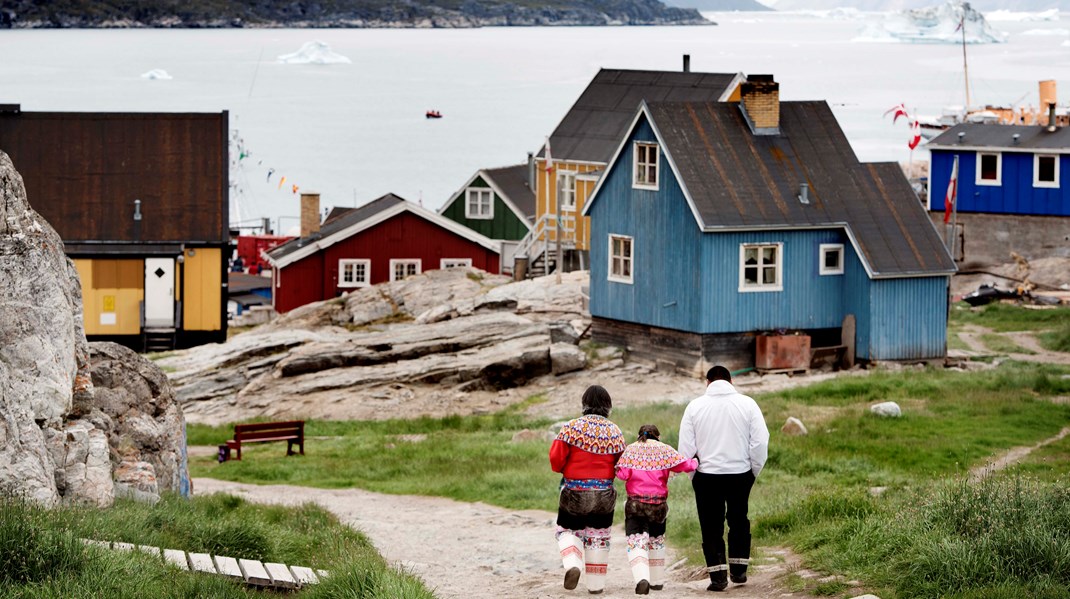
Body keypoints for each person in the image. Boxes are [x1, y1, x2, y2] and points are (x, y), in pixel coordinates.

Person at [678, 366, 769, 592]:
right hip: (740, 474)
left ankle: (718, 578)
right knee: (739, 519)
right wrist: (752, 472)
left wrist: (694, 476)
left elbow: (686, 449)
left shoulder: (694, 406)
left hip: (706, 476)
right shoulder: (748, 404)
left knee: (710, 526)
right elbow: (760, 443)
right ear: (731, 381)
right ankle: (739, 571)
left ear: (707, 382)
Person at [549, 385, 626, 594]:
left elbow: (555, 460)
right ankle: (596, 586)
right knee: (598, 536)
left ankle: (572, 562)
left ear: (584, 404)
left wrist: (566, 469)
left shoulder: (570, 428)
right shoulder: (615, 431)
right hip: (604, 493)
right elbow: (622, 465)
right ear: (608, 407)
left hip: (574, 491)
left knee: (567, 529)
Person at [616, 424, 698, 595]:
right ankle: (657, 582)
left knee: (636, 541)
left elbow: (622, 474)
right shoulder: (665, 450)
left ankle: (641, 578)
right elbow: (686, 466)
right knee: (656, 541)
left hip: (635, 505)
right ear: (658, 437)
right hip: (658, 505)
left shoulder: (631, 450)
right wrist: (696, 460)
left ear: (640, 436)